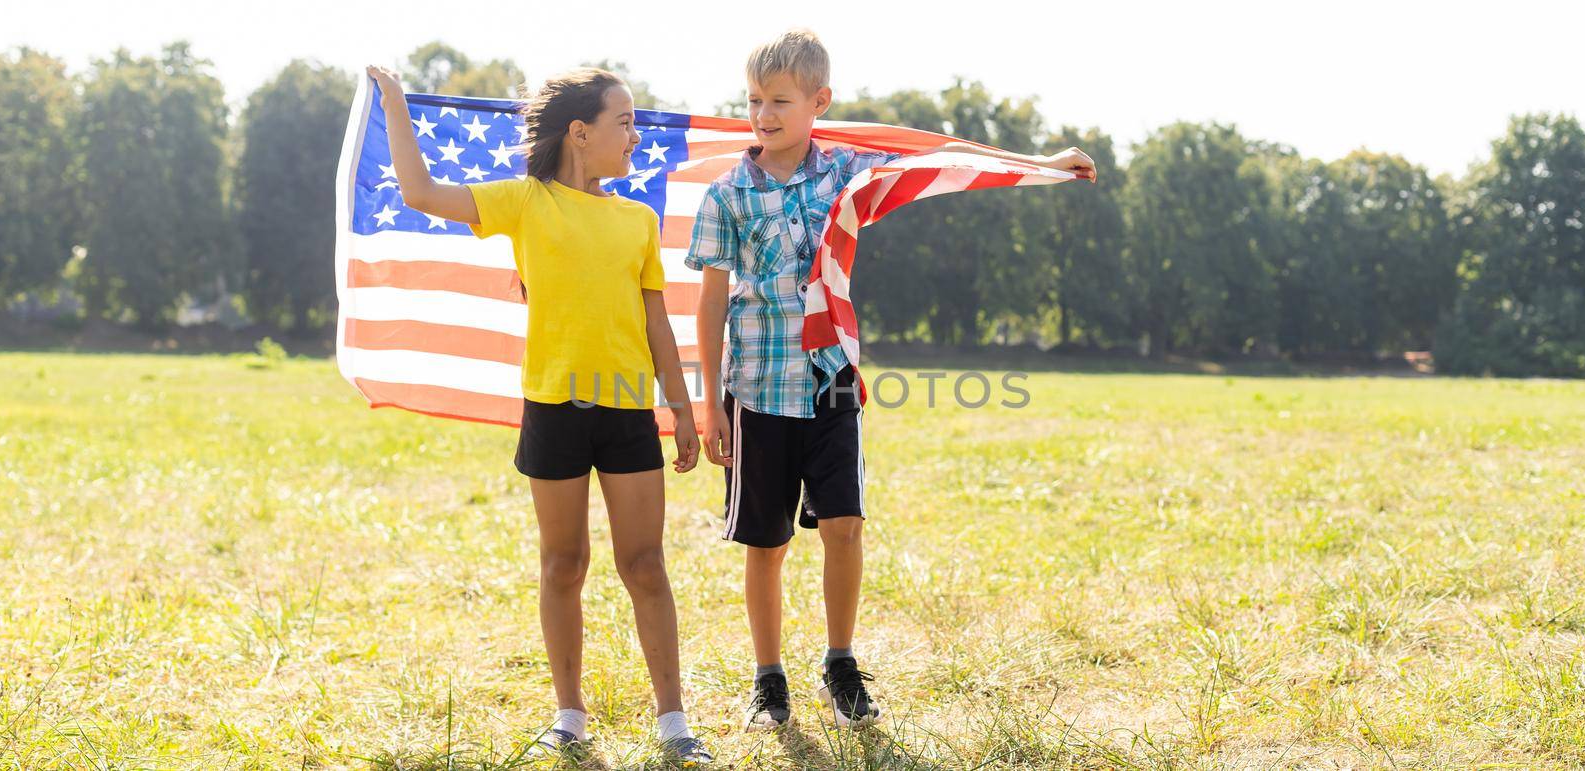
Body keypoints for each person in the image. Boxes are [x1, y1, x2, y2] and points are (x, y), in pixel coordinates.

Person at [686, 30, 1096, 731]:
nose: (763, 114)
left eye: (780, 100)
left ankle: (839, 663)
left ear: (820, 102)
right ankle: (768, 678)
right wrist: (708, 408)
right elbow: (712, 300)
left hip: (831, 379)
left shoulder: (849, 171)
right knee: (767, 542)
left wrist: (1042, 164)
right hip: (754, 388)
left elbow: (943, 163)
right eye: (754, 100)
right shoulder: (728, 195)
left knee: (844, 526)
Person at [365, 64, 712, 764]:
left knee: (644, 563)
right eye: (626, 121)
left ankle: (674, 721)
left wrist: (681, 408)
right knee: (564, 562)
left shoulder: (637, 221)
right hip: (553, 407)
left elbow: (657, 326)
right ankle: (570, 715)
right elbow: (419, 192)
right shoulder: (523, 202)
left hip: (625, 412)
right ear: (581, 133)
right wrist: (396, 105)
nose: (637, 135)